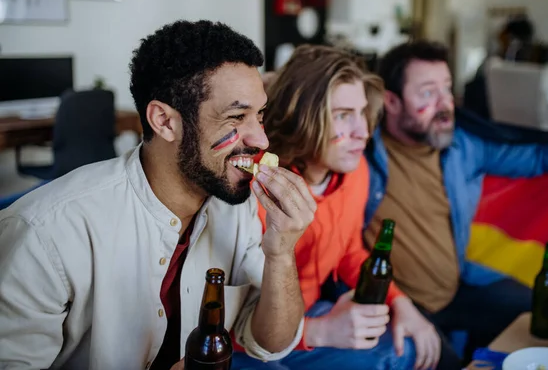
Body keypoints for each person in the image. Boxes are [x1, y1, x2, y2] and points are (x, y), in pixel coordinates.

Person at [0, 20, 316, 370]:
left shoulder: (235, 207)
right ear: (165, 122)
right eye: (236, 116)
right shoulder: (45, 234)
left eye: (259, 115)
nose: (261, 139)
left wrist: (282, 252)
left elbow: (271, 344)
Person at [364, 40, 548, 364]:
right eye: (428, 93)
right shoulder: (360, 153)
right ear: (390, 101)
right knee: (442, 361)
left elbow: (540, 157)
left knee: (538, 308)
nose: (445, 104)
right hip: (399, 300)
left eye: (447, 89)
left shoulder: (462, 145)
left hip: (456, 286)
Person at [233, 45, 460, 370]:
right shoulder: (254, 188)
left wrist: (401, 302)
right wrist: (320, 331)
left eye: (363, 113)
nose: (363, 132)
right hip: (251, 342)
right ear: (302, 117)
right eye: (342, 115)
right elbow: (223, 322)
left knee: (407, 349)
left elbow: (349, 250)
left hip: (311, 316)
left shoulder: (355, 173)